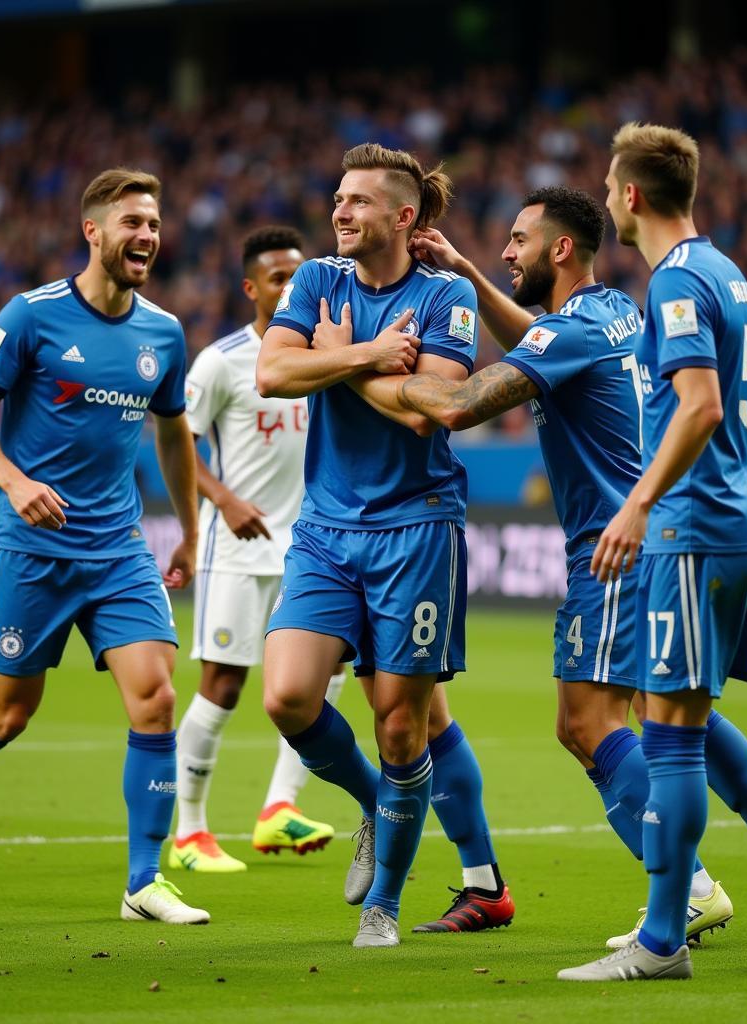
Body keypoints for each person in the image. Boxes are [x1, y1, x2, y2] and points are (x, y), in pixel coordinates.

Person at [400, 185, 730, 947]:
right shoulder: (611, 309)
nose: (505, 253)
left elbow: (457, 406)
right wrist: (469, 274)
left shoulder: (577, 326)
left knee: (592, 723)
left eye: (517, 241)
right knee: (650, 719)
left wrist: (362, 371)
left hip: (612, 547)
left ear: (559, 249)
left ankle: (691, 890)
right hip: (650, 536)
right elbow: (536, 338)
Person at [0, 168, 209, 925]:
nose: (147, 236)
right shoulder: (30, 315)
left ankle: (144, 882)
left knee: (157, 697)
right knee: (7, 716)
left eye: (155, 224)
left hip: (117, 546)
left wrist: (192, 530)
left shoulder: (163, 333)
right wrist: (11, 480)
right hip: (32, 546)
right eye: (132, 222)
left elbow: (173, 434)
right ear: (92, 232)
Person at [558, 123, 747, 982]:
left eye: (609, 184)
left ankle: (663, 940)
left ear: (632, 196)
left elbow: (704, 405)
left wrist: (639, 504)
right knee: (686, 709)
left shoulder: (674, 279)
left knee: (667, 732)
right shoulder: (729, 272)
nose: (605, 196)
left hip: (691, 530)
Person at [256, 143, 510, 947]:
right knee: (288, 697)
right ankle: (376, 805)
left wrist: (326, 360)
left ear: (403, 216)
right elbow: (270, 371)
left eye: (359, 201)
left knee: (403, 723)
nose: (339, 211)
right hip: (327, 527)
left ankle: (387, 905)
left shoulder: (447, 295)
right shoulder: (318, 279)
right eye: (337, 197)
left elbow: (426, 408)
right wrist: (363, 354)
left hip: (416, 528)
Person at [167, 225, 340, 873]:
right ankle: (189, 833)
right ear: (251, 288)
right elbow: (175, 440)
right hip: (237, 549)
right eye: (278, 278)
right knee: (224, 684)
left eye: (301, 276)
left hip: (312, 549)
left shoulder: (321, 355)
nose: (293, 288)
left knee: (320, 682)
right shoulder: (222, 361)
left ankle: (277, 810)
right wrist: (223, 499)